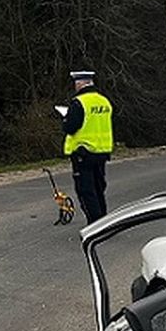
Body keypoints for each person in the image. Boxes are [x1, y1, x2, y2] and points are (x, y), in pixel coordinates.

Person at [61, 70, 114, 223]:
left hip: (83, 153)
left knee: (85, 191)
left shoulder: (79, 102)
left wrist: (66, 119)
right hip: (101, 151)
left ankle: (95, 223)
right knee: (99, 188)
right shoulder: (103, 101)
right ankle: (104, 219)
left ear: (80, 84)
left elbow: (70, 127)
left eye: (76, 84)